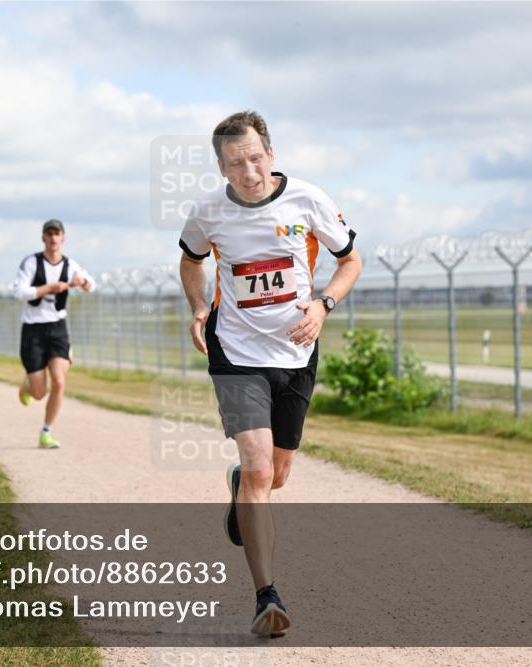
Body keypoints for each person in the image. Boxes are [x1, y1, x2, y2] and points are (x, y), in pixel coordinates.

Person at [178, 110, 362, 637]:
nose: (250, 171)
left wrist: (324, 304)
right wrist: (197, 307)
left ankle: (244, 488)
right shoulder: (208, 211)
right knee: (260, 470)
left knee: (275, 475)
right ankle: (266, 596)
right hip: (235, 351)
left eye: (256, 158)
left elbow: (350, 261)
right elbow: (192, 261)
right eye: (236, 163)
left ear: (271, 155)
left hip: (296, 353)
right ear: (221, 166)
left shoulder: (308, 199)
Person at [12, 219, 95, 449]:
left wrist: (83, 282)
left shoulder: (70, 265)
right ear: (43, 238)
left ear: (63, 237)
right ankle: (28, 386)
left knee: (59, 381)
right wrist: (49, 288)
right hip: (33, 330)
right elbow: (19, 292)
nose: (53, 238)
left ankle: (46, 432)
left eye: (57, 233)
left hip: (58, 327)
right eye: (49, 233)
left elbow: (92, 284)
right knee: (39, 393)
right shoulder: (31, 263)